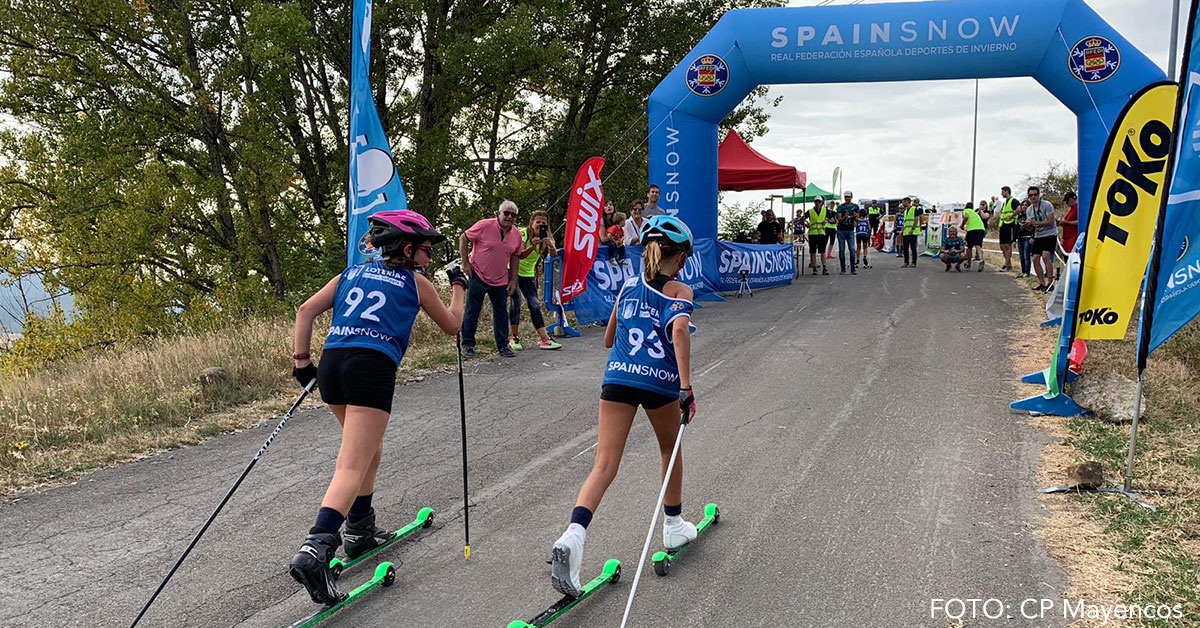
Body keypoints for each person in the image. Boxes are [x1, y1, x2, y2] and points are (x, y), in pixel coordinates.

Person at [288, 210, 467, 606]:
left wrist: (302, 363)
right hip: (371, 368)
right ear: (407, 249)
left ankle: (360, 529)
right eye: (425, 250)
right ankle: (317, 549)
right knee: (351, 465)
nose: (429, 259)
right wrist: (459, 286)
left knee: (368, 450)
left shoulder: (350, 273)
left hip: (334, 364)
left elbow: (305, 311)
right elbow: (454, 326)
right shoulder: (415, 283)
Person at [549, 215, 698, 598]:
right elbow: (679, 332)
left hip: (617, 376)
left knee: (604, 463)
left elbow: (609, 338)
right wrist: (686, 387)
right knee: (669, 446)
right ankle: (674, 524)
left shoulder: (628, 286)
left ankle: (574, 534)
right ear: (678, 256)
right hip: (658, 381)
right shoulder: (680, 290)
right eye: (684, 256)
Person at [460, 200, 523, 358]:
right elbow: (464, 238)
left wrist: (513, 280)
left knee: (501, 313)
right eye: (506, 213)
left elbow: (516, 256)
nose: (509, 217)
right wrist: (465, 263)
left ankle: (503, 346)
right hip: (478, 274)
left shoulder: (517, 235)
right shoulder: (484, 225)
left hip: (501, 279)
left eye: (513, 215)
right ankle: (468, 344)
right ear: (499, 214)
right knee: (472, 311)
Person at [510, 211, 563, 351]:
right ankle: (513, 337)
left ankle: (545, 339)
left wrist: (549, 245)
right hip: (512, 271)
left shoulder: (546, 236)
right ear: (531, 222)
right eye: (538, 222)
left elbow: (554, 255)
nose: (540, 225)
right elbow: (519, 255)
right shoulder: (522, 234)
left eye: (543, 223)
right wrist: (532, 246)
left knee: (534, 304)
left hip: (528, 274)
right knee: (516, 302)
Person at [1026, 186, 1057, 292]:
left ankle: (1050, 282)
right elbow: (1031, 227)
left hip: (1050, 234)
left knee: (1045, 257)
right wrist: (1028, 226)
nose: (1033, 197)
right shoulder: (1029, 210)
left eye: (1035, 194)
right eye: (1031, 195)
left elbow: (1051, 221)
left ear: (1039, 195)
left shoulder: (1047, 205)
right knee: (1035, 259)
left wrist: (1035, 223)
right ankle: (1041, 283)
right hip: (1038, 235)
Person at [835, 191, 859, 274]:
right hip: (841, 230)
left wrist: (854, 216)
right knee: (842, 250)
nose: (847, 198)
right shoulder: (840, 207)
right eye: (845, 197)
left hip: (850, 230)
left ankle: (853, 269)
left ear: (851, 197)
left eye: (848, 197)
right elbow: (839, 220)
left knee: (852, 249)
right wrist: (845, 216)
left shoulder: (855, 206)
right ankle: (843, 269)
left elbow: (857, 219)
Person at [996, 186, 1019, 271]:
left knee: (1007, 245)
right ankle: (1008, 263)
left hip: (1010, 224)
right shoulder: (1005, 202)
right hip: (1003, 225)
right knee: (1002, 246)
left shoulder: (1014, 201)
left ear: (1007, 191)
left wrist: (1012, 216)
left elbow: (1019, 209)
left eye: (1002, 192)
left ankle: (1007, 264)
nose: (1001, 193)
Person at [805, 198, 830, 275]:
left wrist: (826, 221)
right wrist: (807, 224)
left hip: (821, 233)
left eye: (819, 202)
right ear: (814, 202)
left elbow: (833, 220)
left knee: (822, 251)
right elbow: (801, 219)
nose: (817, 203)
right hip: (812, 233)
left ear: (821, 202)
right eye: (816, 202)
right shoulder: (810, 211)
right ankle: (814, 268)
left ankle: (824, 268)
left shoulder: (825, 210)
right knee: (813, 251)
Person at [960, 201, 986, 272]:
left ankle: (969, 263)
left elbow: (966, 217)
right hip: (981, 228)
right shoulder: (975, 213)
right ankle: (981, 259)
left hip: (972, 229)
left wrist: (962, 225)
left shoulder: (965, 211)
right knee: (978, 245)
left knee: (969, 247)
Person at [901, 197, 922, 267]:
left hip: (912, 232)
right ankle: (906, 262)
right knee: (905, 248)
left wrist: (912, 229)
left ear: (907, 202)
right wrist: (902, 230)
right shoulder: (905, 211)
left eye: (903, 202)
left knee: (913, 247)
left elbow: (916, 219)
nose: (902, 203)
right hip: (906, 232)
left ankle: (914, 262)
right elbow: (906, 221)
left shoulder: (914, 209)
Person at [1017, 199, 1034, 277]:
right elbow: (1016, 227)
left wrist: (1033, 237)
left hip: (1028, 237)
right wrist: (1014, 239)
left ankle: (1027, 272)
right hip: (1020, 238)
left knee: (1026, 256)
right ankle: (1023, 271)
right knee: (1021, 257)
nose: (1024, 207)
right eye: (1023, 205)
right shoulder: (1019, 216)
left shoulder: (1031, 216)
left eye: (1026, 205)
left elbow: (1034, 227)